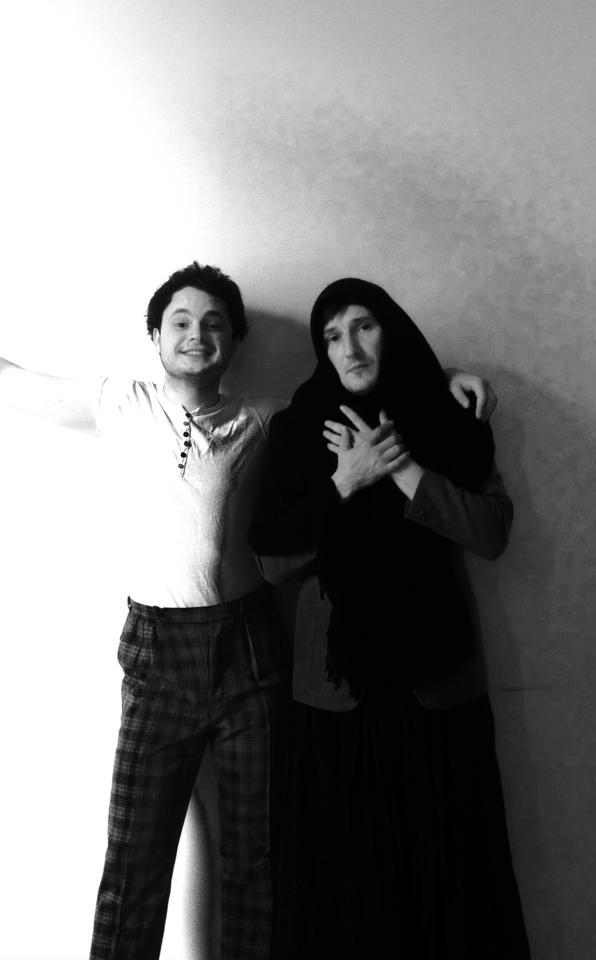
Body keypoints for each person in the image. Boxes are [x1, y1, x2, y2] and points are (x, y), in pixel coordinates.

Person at [0, 263, 495, 960]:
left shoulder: (264, 418)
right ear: (154, 336)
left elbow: (372, 385)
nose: (196, 336)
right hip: (157, 656)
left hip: (251, 652)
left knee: (257, 861)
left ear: (235, 341)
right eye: (180, 322)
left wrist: (447, 379)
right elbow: (19, 384)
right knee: (134, 861)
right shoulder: (120, 401)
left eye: (214, 324)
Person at [250, 277, 531, 959]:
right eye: (332, 336)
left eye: (364, 326)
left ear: (393, 331)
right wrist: (345, 481)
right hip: (334, 693)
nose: (349, 348)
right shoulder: (298, 428)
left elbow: (492, 532)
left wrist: (403, 468)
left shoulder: (449, 416)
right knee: (347, 891)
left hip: (438, 687)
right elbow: (270, 561)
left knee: (450, 883)